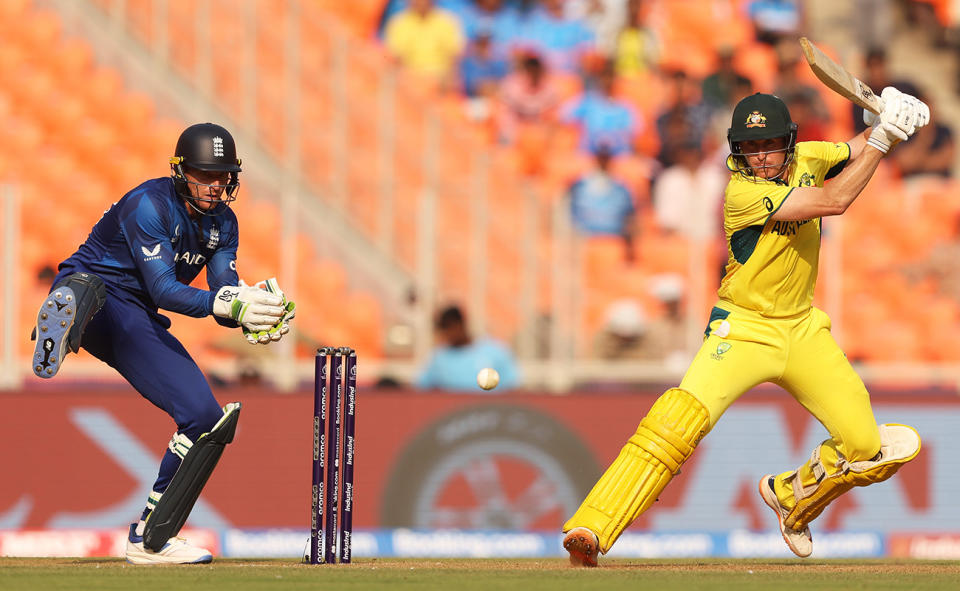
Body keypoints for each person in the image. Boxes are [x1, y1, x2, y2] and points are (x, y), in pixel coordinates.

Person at [561, 90, 929, 566]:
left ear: (790, 143)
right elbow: (835, 200)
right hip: (743, 329)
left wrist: (885, 120)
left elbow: (856, 148)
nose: (760, 157)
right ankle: (592, 526)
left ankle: (792, 498)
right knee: (675, 422)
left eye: (770, 145)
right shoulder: (742, 193)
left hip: (803, 330)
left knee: (866, 447)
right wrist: (886, 135)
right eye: (750, 148)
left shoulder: (813, 155)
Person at [30, 123, 295, 564]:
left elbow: (221, 292)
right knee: (89, 288)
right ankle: (69, 310)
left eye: (223, 176)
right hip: (105, 291)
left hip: (137, 316)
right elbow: (166, 291)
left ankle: (150, 539)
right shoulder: (148, 204)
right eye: (204, 174)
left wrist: (249, 308)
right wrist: (229, 305)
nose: (215, 186)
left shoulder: (224, 223)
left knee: (205, 417)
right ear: (180, 171)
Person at [416, 305, 520, 392]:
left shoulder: (495, 351)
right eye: (444, 330)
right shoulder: (439, 358)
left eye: (450, 327)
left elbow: (511, 387)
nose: (448, 334)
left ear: (461, 324)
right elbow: (423, 387)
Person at [567, 145, 636, 261]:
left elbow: (630, 217)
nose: (603, 162)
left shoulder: (622, 189)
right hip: (584, 240)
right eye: (601, 158)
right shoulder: (578, 186)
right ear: (595, 159)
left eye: (606, 158)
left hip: (613, 240)